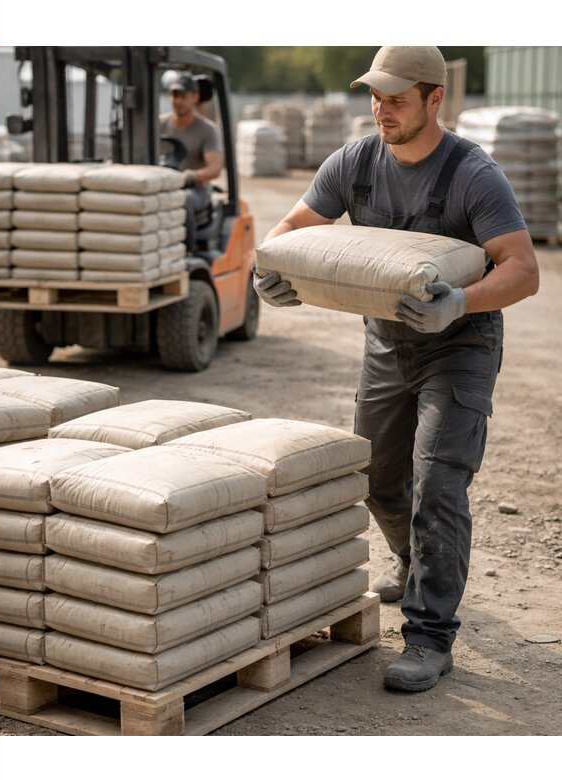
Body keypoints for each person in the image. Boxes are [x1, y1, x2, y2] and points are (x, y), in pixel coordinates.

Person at [254, 46, 539, 692]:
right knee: (379, 480)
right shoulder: (355, 162)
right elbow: (293, 226)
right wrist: (272, 270)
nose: (382, 110)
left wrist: (459, 301)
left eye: (397, 100)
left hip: (459, 346)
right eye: (376, 97)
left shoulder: (473, 174)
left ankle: (430, 636)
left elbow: (524, 270)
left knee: (438, 483)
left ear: (435, 99)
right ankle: (415, 563)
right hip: (386, 343)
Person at [159, 74, 224, 249]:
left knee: (182, 199)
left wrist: (192, 175)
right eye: (174, 95)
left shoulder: (207, 130)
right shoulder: (159, 124)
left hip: (195, 190)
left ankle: (186, 250)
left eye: (183, 96)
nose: (178, 101)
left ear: (195, 97)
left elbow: (215, 168)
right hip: (163, 184)